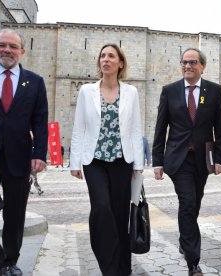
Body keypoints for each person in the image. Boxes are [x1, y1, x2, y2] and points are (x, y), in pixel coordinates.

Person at [0, 29, 48, 276]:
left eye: (12, 46)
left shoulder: (35, 82)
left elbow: (40, 120)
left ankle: (9, 262)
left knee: (15, 214)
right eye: (2, 45)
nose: (7, 50)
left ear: (22, 51)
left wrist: (39, 153)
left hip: (19, 156)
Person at [70, 43, 144, 276]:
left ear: (120, 63)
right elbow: (79, 127)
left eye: (111, 56)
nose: (106, 59)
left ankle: (123, 269)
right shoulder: (86, 91)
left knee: (120, 215)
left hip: (123, 160)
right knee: (101, 208)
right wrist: (74, 162)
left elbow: (135, 129)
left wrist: (139, 165)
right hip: (94, 160)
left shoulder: (131, 92)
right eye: (103, 56)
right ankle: (108, 267)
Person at [152, 47, 221, 276]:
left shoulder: (213, 91)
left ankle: (186, 239)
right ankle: (193, 262)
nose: (188, 66)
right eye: (184, 62)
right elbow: (160, 128)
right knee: (187, 203)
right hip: (178, 159)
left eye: (193, 62)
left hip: (202, 160)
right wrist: (157, 161)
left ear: (202, 66)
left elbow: (220, 128)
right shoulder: (170, 91)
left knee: (195, 204)